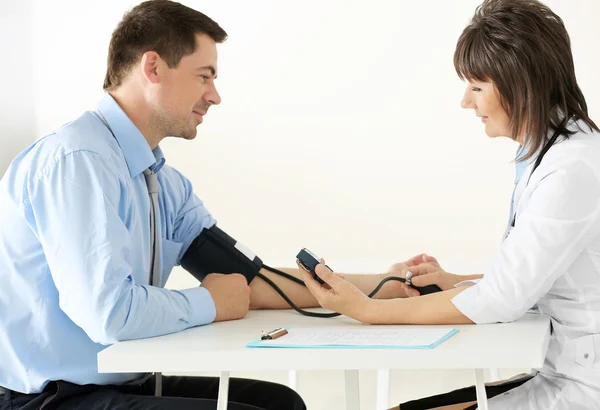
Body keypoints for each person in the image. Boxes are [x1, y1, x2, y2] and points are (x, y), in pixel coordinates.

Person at [0, 1, 419, 409]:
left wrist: (385, 285)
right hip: (48, 398)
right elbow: (107, 313)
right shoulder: (77, 163)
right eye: (204, 76)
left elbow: (248, 282)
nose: (214, 95)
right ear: (153, 67)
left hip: (125, 382)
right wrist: (208, 303)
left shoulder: (163, 183)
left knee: (280, 402)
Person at [301, 1, 600, 409]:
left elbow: (503, 298)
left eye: (477, 87)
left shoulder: (570, 169)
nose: (465, 102)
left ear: (522, 84)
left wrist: (367, 311)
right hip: (563, 368)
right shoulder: (550, 154)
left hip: (583, 386)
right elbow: (535, 276)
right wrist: (457, 281)